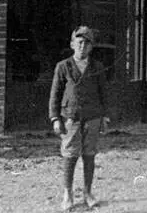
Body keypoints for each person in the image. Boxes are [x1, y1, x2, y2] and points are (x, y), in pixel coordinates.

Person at [49, 26, 110, 210]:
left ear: (91, 47)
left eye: (87, 43)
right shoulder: (63, 66)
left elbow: (103, 94)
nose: (83, 46)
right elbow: (55, 95)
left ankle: (88, 192)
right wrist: (55, 118)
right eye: (80, 42)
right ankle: (67, 194)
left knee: (89, 155)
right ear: (72, 44)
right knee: (70, 155)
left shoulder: (97, 67)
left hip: (92, 117)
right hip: (70, 118)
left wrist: (104, 118)